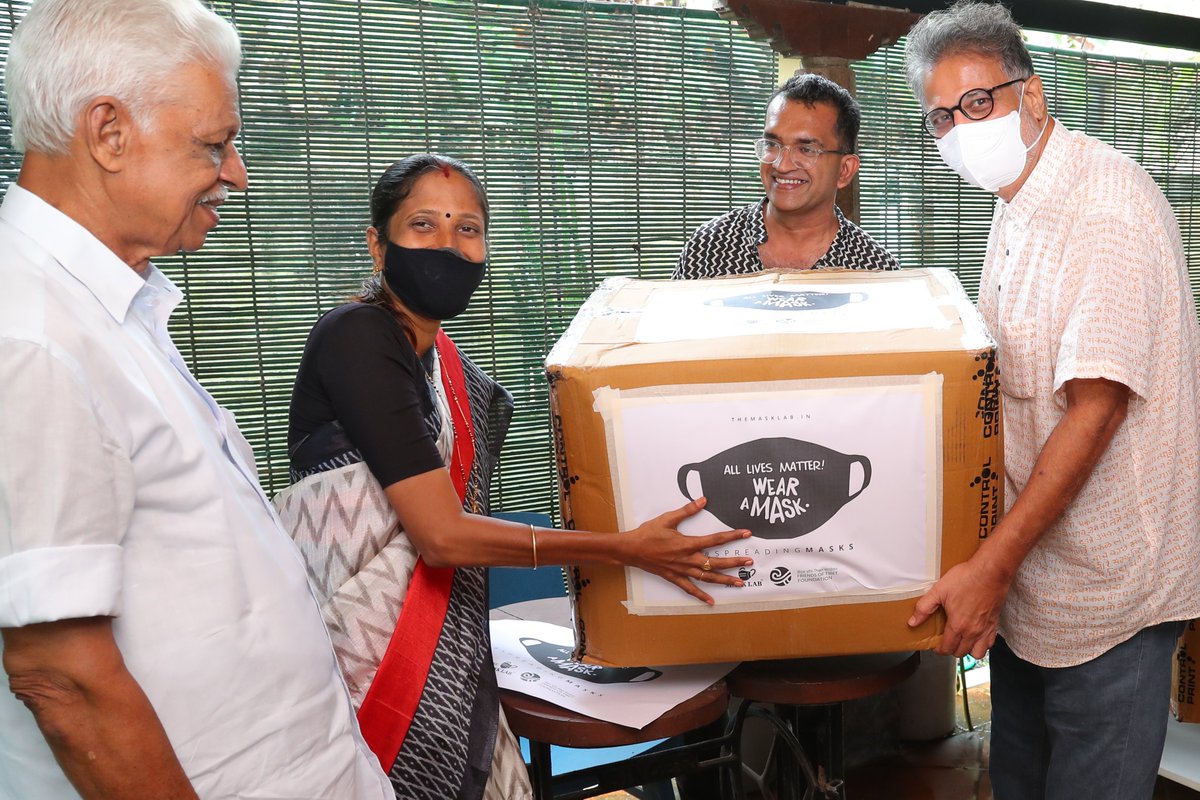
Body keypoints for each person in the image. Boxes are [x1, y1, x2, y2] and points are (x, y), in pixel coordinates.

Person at [0, 1, 393, 798]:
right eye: (213, 144)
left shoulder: (111, 305)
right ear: (108, 132)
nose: (236, 173)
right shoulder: (31, 336)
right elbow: (60, 676)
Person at [274, 153, 755, 800]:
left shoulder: (440, 361)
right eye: (423, 225)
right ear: (377, 244)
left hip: (445, 645)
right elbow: (442, 537)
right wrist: (624, 547)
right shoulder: (357, 336)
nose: (448, 245)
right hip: (365, 651)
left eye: (467, 229)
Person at [902, 2, 1200, 797]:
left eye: (977, 102)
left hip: (1110, 592)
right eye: (941, 118)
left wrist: (988, 570)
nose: (961, 129)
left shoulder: (1105, 207)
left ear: (1030, 93)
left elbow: (1094, 411)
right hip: (1034, 580)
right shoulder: (1016, 198)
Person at [674, 72, 899, 279]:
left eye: (806, 149)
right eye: (772, 144)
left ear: (844, 170)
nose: (781, 165)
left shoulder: (876, 269)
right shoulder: (706, 248)